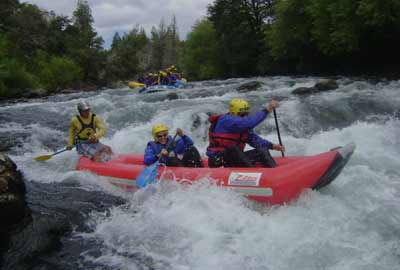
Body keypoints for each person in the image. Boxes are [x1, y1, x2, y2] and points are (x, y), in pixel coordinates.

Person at [206, 98, 285, 168]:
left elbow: (255, 141)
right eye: (242, 114)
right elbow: (249, 122)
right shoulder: (226, 120)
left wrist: (272, 146)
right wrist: (267, 109)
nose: (245, 117)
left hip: (235, 159)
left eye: (247, 114)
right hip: (218, 160)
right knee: (233, 149)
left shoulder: (242, 126)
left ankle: (274, 172)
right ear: (233, 113)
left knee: (262, 150)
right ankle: (252, 175)